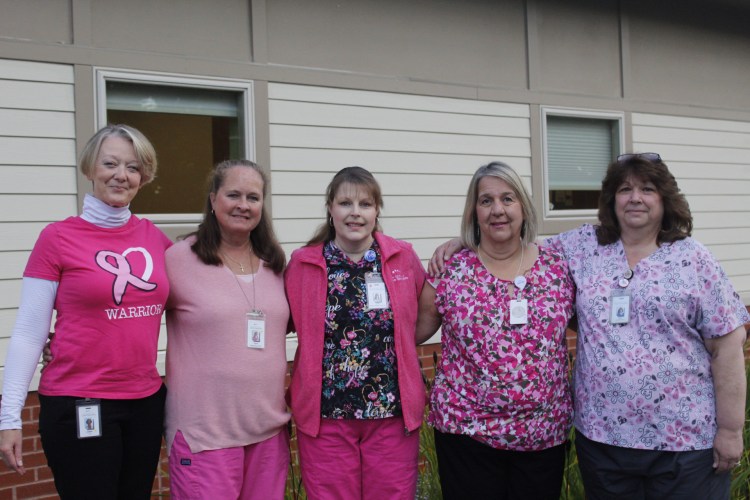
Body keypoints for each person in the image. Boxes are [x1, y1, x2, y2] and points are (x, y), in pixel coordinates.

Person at [430, 153, 750, 499]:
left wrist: (730, 430)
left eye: (647, 189)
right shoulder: (583, 247)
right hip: (604, 442)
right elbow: (510, 243)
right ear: (612, 199)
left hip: (682, 444)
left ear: (666, 199)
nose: (635, 198)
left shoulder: (694, 258)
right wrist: (463, 241)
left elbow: (728, 345)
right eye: (625, 189)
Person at [0, 125, 170, 498]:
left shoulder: (156, 239)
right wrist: (9, 417)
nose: (121, 175)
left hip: (144, 402)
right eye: (110, 163)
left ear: (144, 176)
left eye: (133, 167)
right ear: (91, 167)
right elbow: (30, 332)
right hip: (79, 400)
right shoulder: (57, 238)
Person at [415, 161, 575, 499]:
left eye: (508, 198)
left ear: (524, 207)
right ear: (474, 211)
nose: (497, 210)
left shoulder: (558, 265)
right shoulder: (450, 270)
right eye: (486, 201)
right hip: (467, 436)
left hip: (542, 436)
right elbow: (412, 332)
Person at [284, 166, 427, 499]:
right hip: (326, 416)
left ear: (377, 211)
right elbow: (281, 320)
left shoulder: (402, 258)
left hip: (391, 414)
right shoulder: (303, 264)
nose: (355, 213)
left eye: (365, 204)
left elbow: (425, 312)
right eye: (345, 203)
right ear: (330, 209)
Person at [163, 159, 290, 499]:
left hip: (267, 431)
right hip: (205, 435)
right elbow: (134, 316)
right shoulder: (177, 260)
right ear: (213, 199)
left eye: (253, 197)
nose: (243, 205)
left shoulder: (276, 264)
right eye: (233, 194)